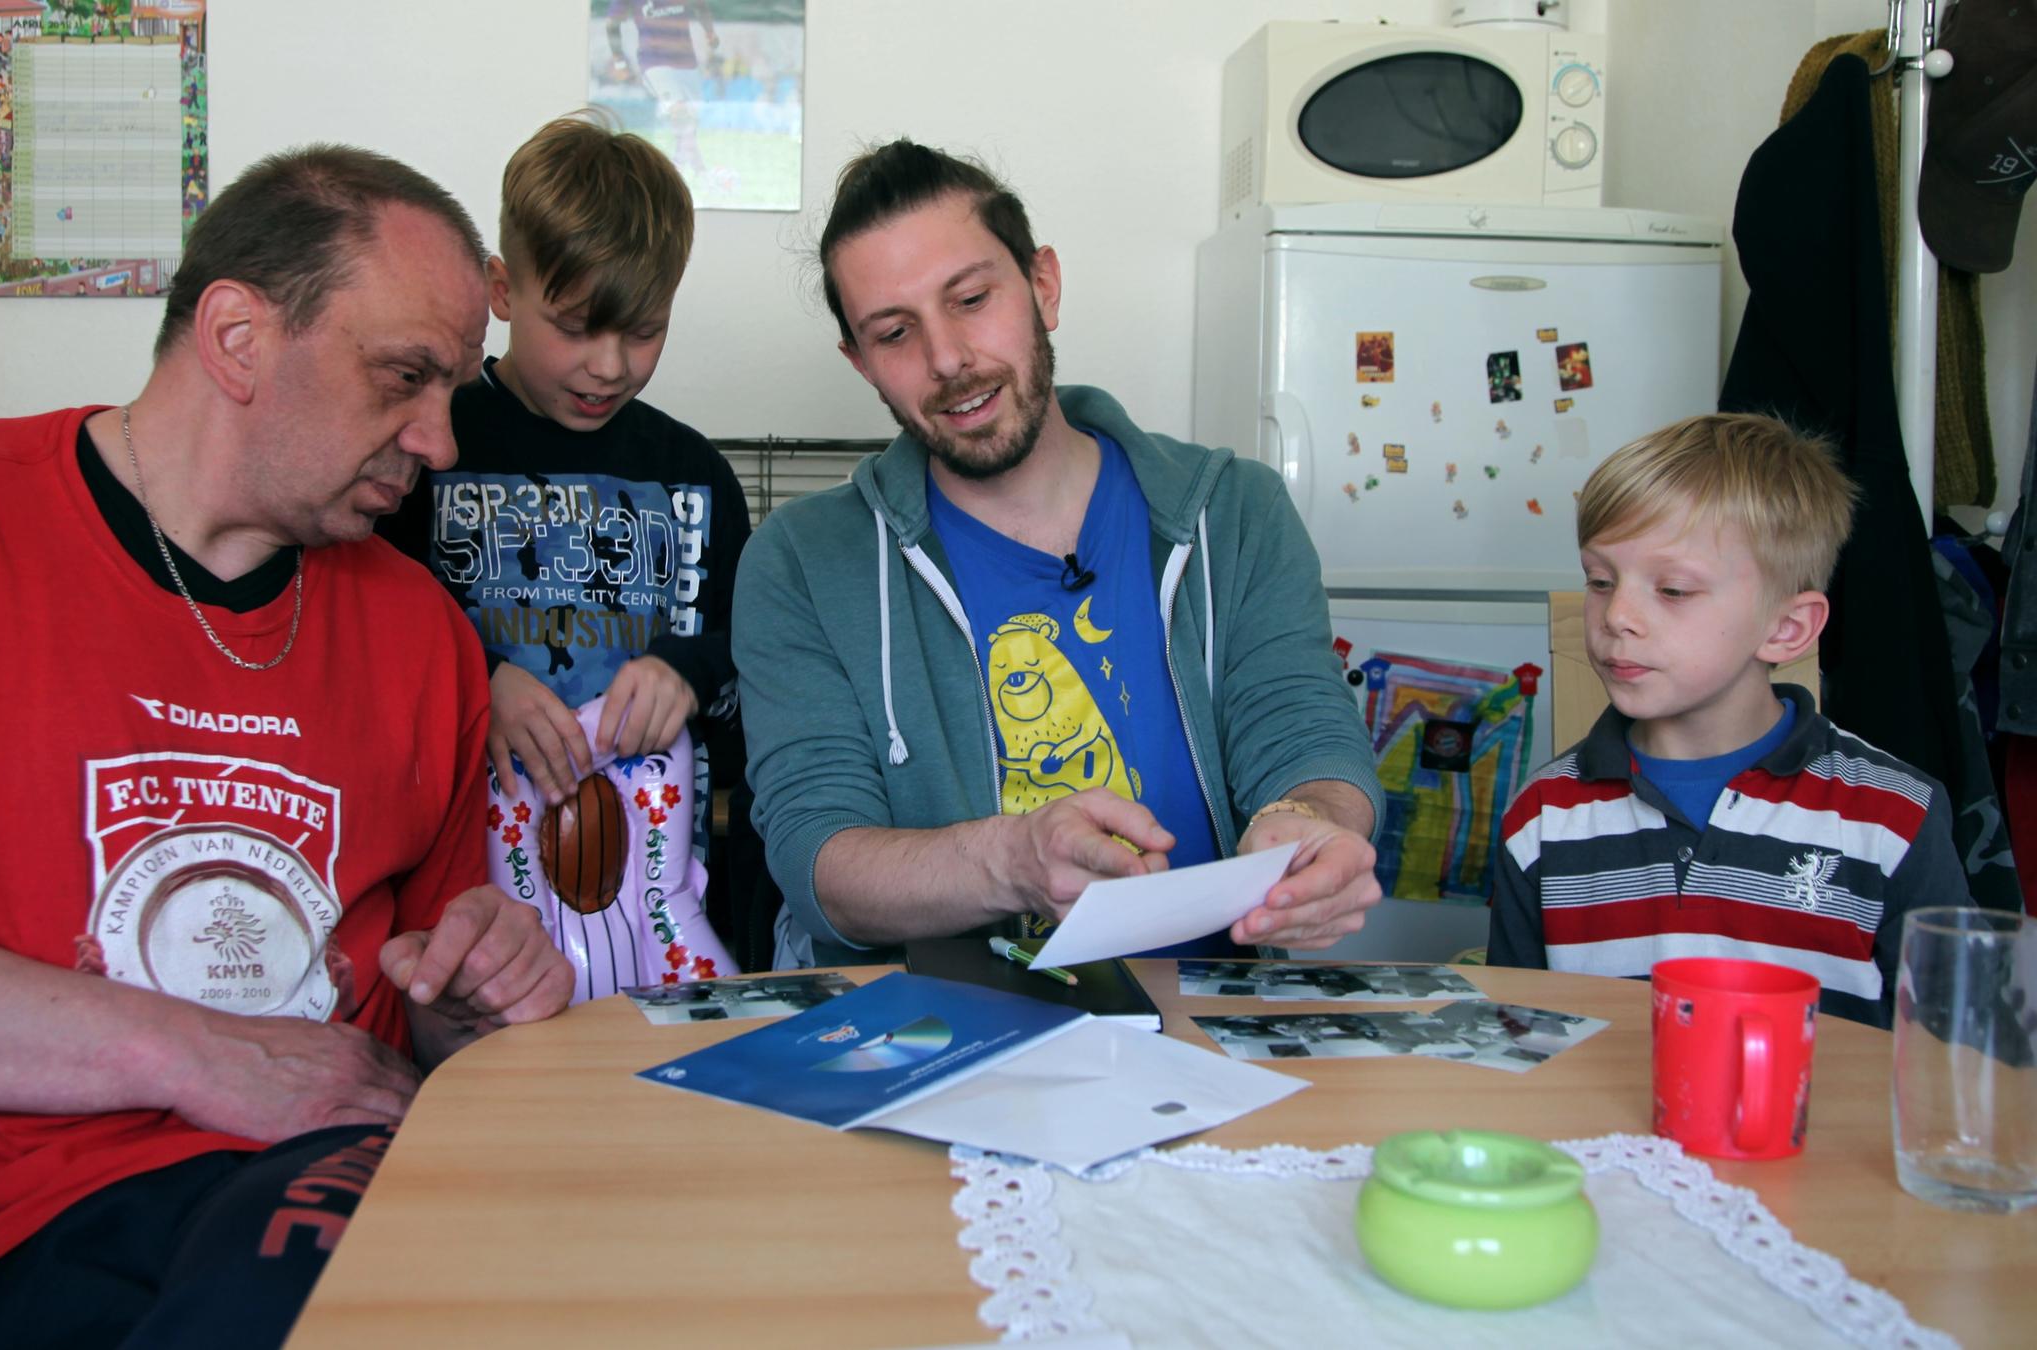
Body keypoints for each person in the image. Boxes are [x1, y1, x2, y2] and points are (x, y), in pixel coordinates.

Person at [0, 144, 575, 1350]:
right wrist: (200, 1056)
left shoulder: (418, 628)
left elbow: (428, 1012)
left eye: (452, 392)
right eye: (404, 377)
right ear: (237, 338)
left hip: (311, 1194)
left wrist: (475, 995)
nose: (441, 442)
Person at [733, 139, 1383, 969]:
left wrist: (1307, 822)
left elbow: (1305, 733)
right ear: (860, 362)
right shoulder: (800, 561)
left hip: (1210, 1025)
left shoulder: (1236, 510)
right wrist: (1009, 861)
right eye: (895, 334)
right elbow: (816, 859)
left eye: (970, 299)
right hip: (941, 1040)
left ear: (1043, 284)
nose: (946, 359)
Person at [375, 113, 766, 973]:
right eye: (577, 326)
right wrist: (476, 685)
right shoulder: (430, 447)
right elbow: (367, 631)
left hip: (652, 907)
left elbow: (744, 647)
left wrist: (685, 671)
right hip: (470, 912)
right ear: (502, 291)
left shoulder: (693, 474)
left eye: (644, 330)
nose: (609, 366)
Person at [1487, 412, 1972, 1027]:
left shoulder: (1894, 814)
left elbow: (1949, 1055)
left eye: (1673, 590)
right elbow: (1519, 1038)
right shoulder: (1542, 817)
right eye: (1601, 580)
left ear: (1786, 628)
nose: (1617, 617)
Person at [602, 0, 719, 181]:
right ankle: (697, 172)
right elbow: (612, 23)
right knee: (680, 111)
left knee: (690, 121)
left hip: (687, 62)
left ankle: (681, 171)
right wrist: (619, 60)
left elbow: (700, 6)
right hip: (654, 62)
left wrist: (709, 32)